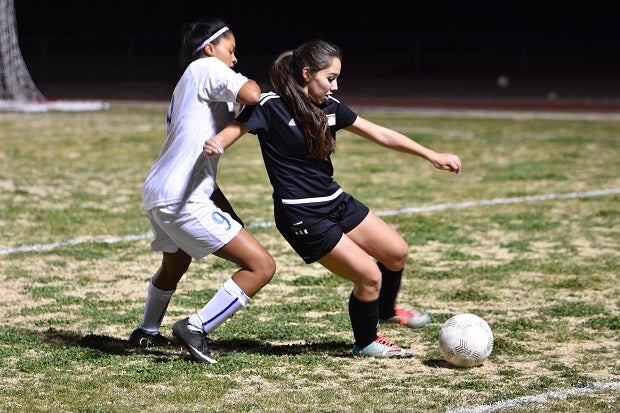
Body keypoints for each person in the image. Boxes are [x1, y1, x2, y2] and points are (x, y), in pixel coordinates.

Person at [203, 39, 462, 358]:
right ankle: (366, 341)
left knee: (396, 253)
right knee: (369, 275)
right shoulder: (271, 105)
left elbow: (380, 134)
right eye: (330, 78)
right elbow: (236, 129)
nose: (336, 86)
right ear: (307, 73)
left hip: (334, 200)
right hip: (301, 214)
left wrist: (431, 154)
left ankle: (384, 309)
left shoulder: (330, 108)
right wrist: (218, 142)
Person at [128, 18, 276, 364]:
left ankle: (146, 330)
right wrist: (258, 85)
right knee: (261, 266)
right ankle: (196, 327)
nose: (234, 59)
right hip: (181, 196)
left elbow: (199, 162)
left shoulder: (190, 82)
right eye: (231, 49)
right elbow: (252, 95)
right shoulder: (207, 66)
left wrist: (225, 208)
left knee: (174, 264)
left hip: (161, 190)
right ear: (209, 48)